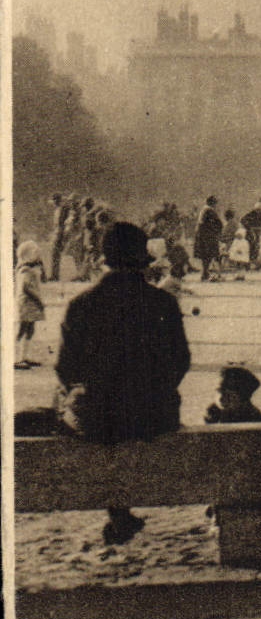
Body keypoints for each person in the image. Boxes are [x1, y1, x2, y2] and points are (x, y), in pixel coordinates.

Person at [55, 222, 191, 545]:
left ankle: (118, 510)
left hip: (98, 417)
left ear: (105, 258)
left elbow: (64, 369)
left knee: (72, 406)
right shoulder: (163, 304)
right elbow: (180, 361)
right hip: (155, 414)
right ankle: (121, 512)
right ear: (141, 259)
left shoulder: (81, 305)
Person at [15, 240, 46, 369]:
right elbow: (26, 287)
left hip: (31, 303)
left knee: (30, 329)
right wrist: (38, 299)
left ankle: (24, 356)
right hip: (27, 303)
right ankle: (17, 357)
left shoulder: (31, 268)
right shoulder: (25, 270)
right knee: (23, 328)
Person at [194, 196, 224, 282]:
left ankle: (205, 273)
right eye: (215, 203)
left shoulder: (203, 210)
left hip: (202, 235)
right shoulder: (209, 211)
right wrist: (217, 232)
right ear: (213, 203)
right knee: (208, 255)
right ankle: (206, 274)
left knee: (205, 256)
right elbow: (218, 223)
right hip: (208, 236)